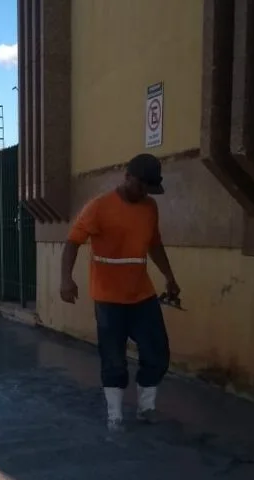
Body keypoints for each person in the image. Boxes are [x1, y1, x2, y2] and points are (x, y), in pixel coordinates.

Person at [59, 153, 181, 431]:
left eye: (149, 189)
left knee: (158, 354)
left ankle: (146, 408)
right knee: (113, 359)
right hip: (108, 299)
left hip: (142, 296)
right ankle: (114, 415)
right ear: (127, 178)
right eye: (141, 186)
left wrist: (169, 277)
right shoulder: (98, 208)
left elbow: (155, 244)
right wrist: (66, 280)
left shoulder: (150, 208)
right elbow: (72, 242)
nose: (144, 193)